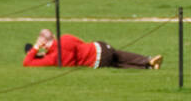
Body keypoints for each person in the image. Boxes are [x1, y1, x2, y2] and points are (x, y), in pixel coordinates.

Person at [23, 29, 163, 70]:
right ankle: (148, 62)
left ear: (44, 44)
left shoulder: (53, 59)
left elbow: (27, 63)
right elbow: (81, 43)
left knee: (115, 63)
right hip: (100, 47)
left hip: (97, 62)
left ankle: (147, 64)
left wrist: (35, 48)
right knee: (116, 56)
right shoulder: (66, 38)